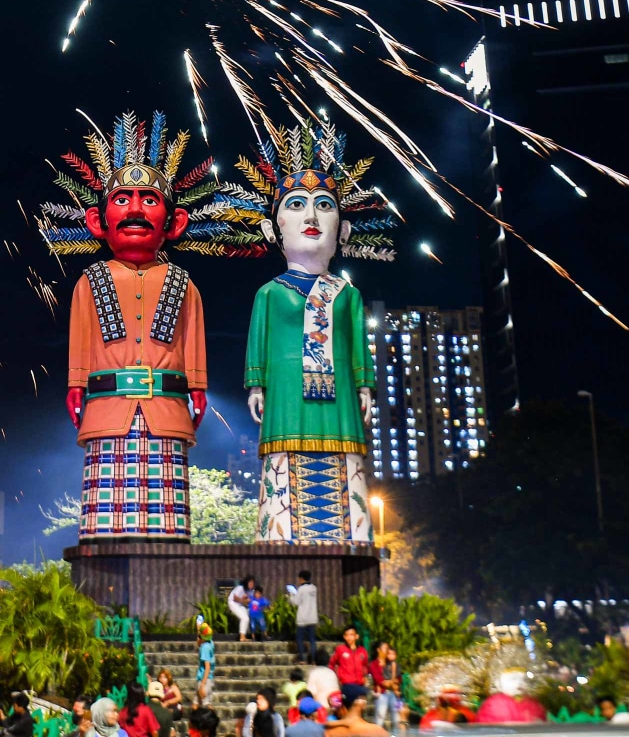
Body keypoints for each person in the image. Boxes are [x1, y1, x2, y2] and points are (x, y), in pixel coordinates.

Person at [43, 111, 209, 541]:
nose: (135, 209)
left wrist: (197, 388)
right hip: (107, 407)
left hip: (167, 407)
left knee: (167, 522)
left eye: (149, 200)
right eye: (123, 200)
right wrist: (75, 384)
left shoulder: (184, 283)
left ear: (174, 222)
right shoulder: (89, 281)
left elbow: (192, 342)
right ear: (97, 222)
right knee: (105, 524)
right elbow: (80, 343)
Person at [243, 121, 397, 544]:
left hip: (340, 398)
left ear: (343, 231)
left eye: (325, 205)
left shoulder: (347, 294)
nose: (310, 216)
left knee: (344, 456)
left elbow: (357, 349)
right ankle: (280, 534)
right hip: (286, 395)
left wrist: (364, 385)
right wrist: (256, 385)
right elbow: (258, 342)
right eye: (295, 205)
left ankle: (351, 532)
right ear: (272, 230)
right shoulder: (269, 294)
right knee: (283, 460)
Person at [476, 669, 546, 724]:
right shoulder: (493, 704)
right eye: (514, 679)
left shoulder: (532, 703)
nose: (519, 683)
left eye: (524, 679)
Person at [329, 626, 370, 706]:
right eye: (347, 635)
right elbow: (332, 664)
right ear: (344, 637)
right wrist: (337, 678)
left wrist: (364, 677)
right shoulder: (340, 650)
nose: (349, 637)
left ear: (356, 636)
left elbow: (365, 666)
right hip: (347, 684)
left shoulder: (362, 651)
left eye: (351, 635)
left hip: (359, 684)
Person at [289, 571, 318, 665]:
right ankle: (313, 659)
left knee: (300, 639)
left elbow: (296, 602)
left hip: (303, 618)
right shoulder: (314, 588)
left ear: (301, 578)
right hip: (312, 617)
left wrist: (291, 596)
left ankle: (302, 659)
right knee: (312, 639)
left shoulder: (301, 589)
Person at [369, 641, 398, 731]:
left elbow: (399, 679)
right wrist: (392, 682)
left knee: (397, 717)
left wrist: (391, 682)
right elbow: (380, 681)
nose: (387, 651)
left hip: (393, 694)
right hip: (381, 694)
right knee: (380, 718)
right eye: (385, 648)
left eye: (388, 648)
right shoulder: (373, 664)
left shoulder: (391, 664)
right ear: (378, 650)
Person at [228, 576, 255, 642]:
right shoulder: (240, 588)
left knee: (248, 616)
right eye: (250, 583)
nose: (251, 585)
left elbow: (250, 601)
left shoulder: (251, 591)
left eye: (252, 583)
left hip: (240, 605)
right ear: (246, 583)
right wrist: (244, 600)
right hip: (233, 603)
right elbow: (235, 598)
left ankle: (245, 635)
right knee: (245, 618)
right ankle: (242, 637)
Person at [195, 620, 215, 707]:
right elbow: (199, 643)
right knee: (196, 703)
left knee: (206, 704)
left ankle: (212, 720)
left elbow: (207, 667)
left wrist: (202, 685)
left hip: (204, 678)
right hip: (206, 678)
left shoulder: (205, 648)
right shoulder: (210, 643)